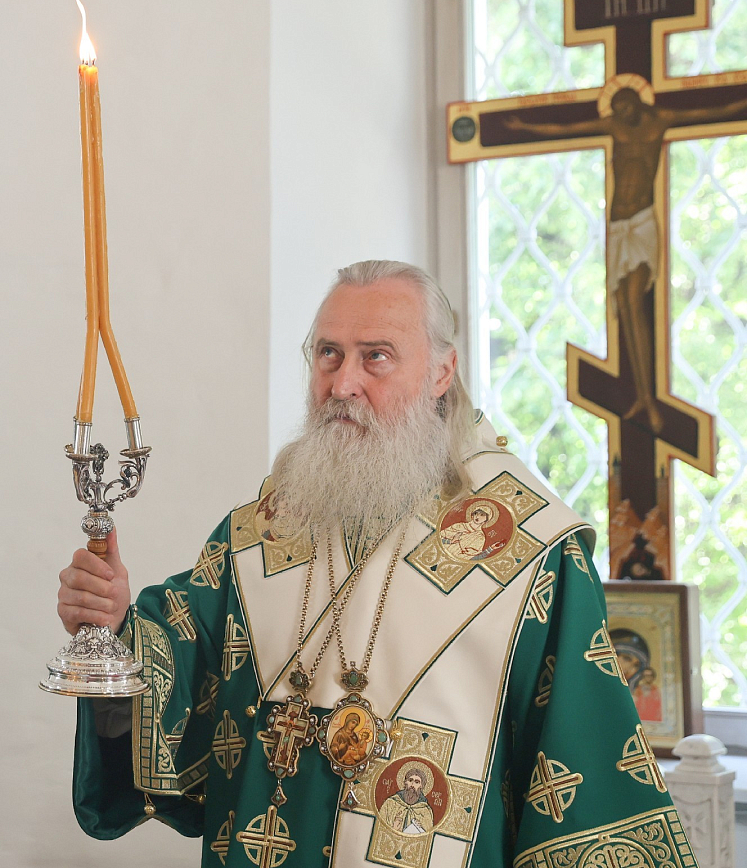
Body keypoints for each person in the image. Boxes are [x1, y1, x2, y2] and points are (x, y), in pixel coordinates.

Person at [58, 260, 697, 868]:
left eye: (377, 357)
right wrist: (113, 628)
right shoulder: (265, 531)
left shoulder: (531, 551)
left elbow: (583, 772)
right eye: (328, 354)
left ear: (442, 372)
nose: (343, 385)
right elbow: (186, 664)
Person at [506, 77, 747, 434]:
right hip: (617, 226)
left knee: (634, 304)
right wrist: (524, 126)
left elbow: (711, 111)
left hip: (642, 221)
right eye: (616, 110)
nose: (621, 115)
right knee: (624, 306)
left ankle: (648, 397)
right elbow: (567, 129)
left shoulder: (660, 119)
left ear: (638, 102)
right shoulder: (613, 125)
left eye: (626, 108)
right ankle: (642, 396)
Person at [378, 767, 434, 835]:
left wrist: (420, 828)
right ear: (405, 782)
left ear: (421, 786)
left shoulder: (425, 811)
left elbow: (427, 836)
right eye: (410, 780)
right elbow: (379, 828)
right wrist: (393, 828)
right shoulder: (390, 803)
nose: (412, 785)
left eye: (417, 782)